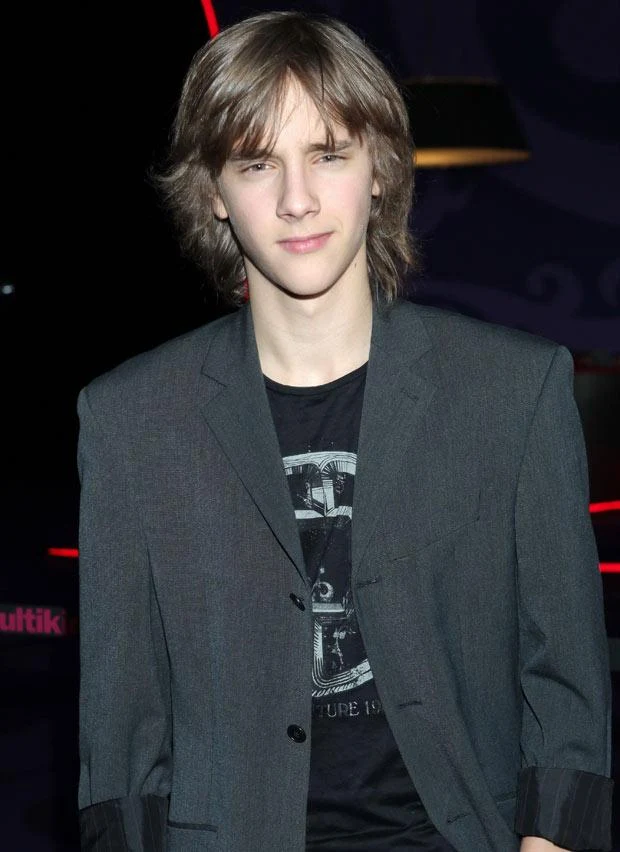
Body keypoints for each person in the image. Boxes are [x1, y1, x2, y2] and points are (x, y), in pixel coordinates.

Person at [76, 10, 613, 852]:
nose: (296, 200)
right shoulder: (130, 420)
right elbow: (122, 733)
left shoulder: (513, 392)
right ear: (214, 193)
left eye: (328, 154)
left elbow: (567, 680)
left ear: (379, 171)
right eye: (257, 163)